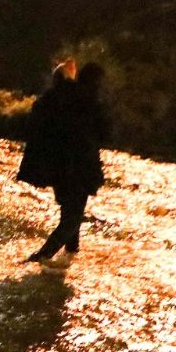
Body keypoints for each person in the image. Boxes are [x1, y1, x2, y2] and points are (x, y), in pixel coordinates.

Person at [16, 61, 109, 266]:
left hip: (57, 168)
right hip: (80, 167)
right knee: (72, 218)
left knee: (70, 212)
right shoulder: (90, 102)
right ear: (95, 81)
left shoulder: (58, 97)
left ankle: (70, 255)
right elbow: (105, 133)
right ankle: (39, 258)